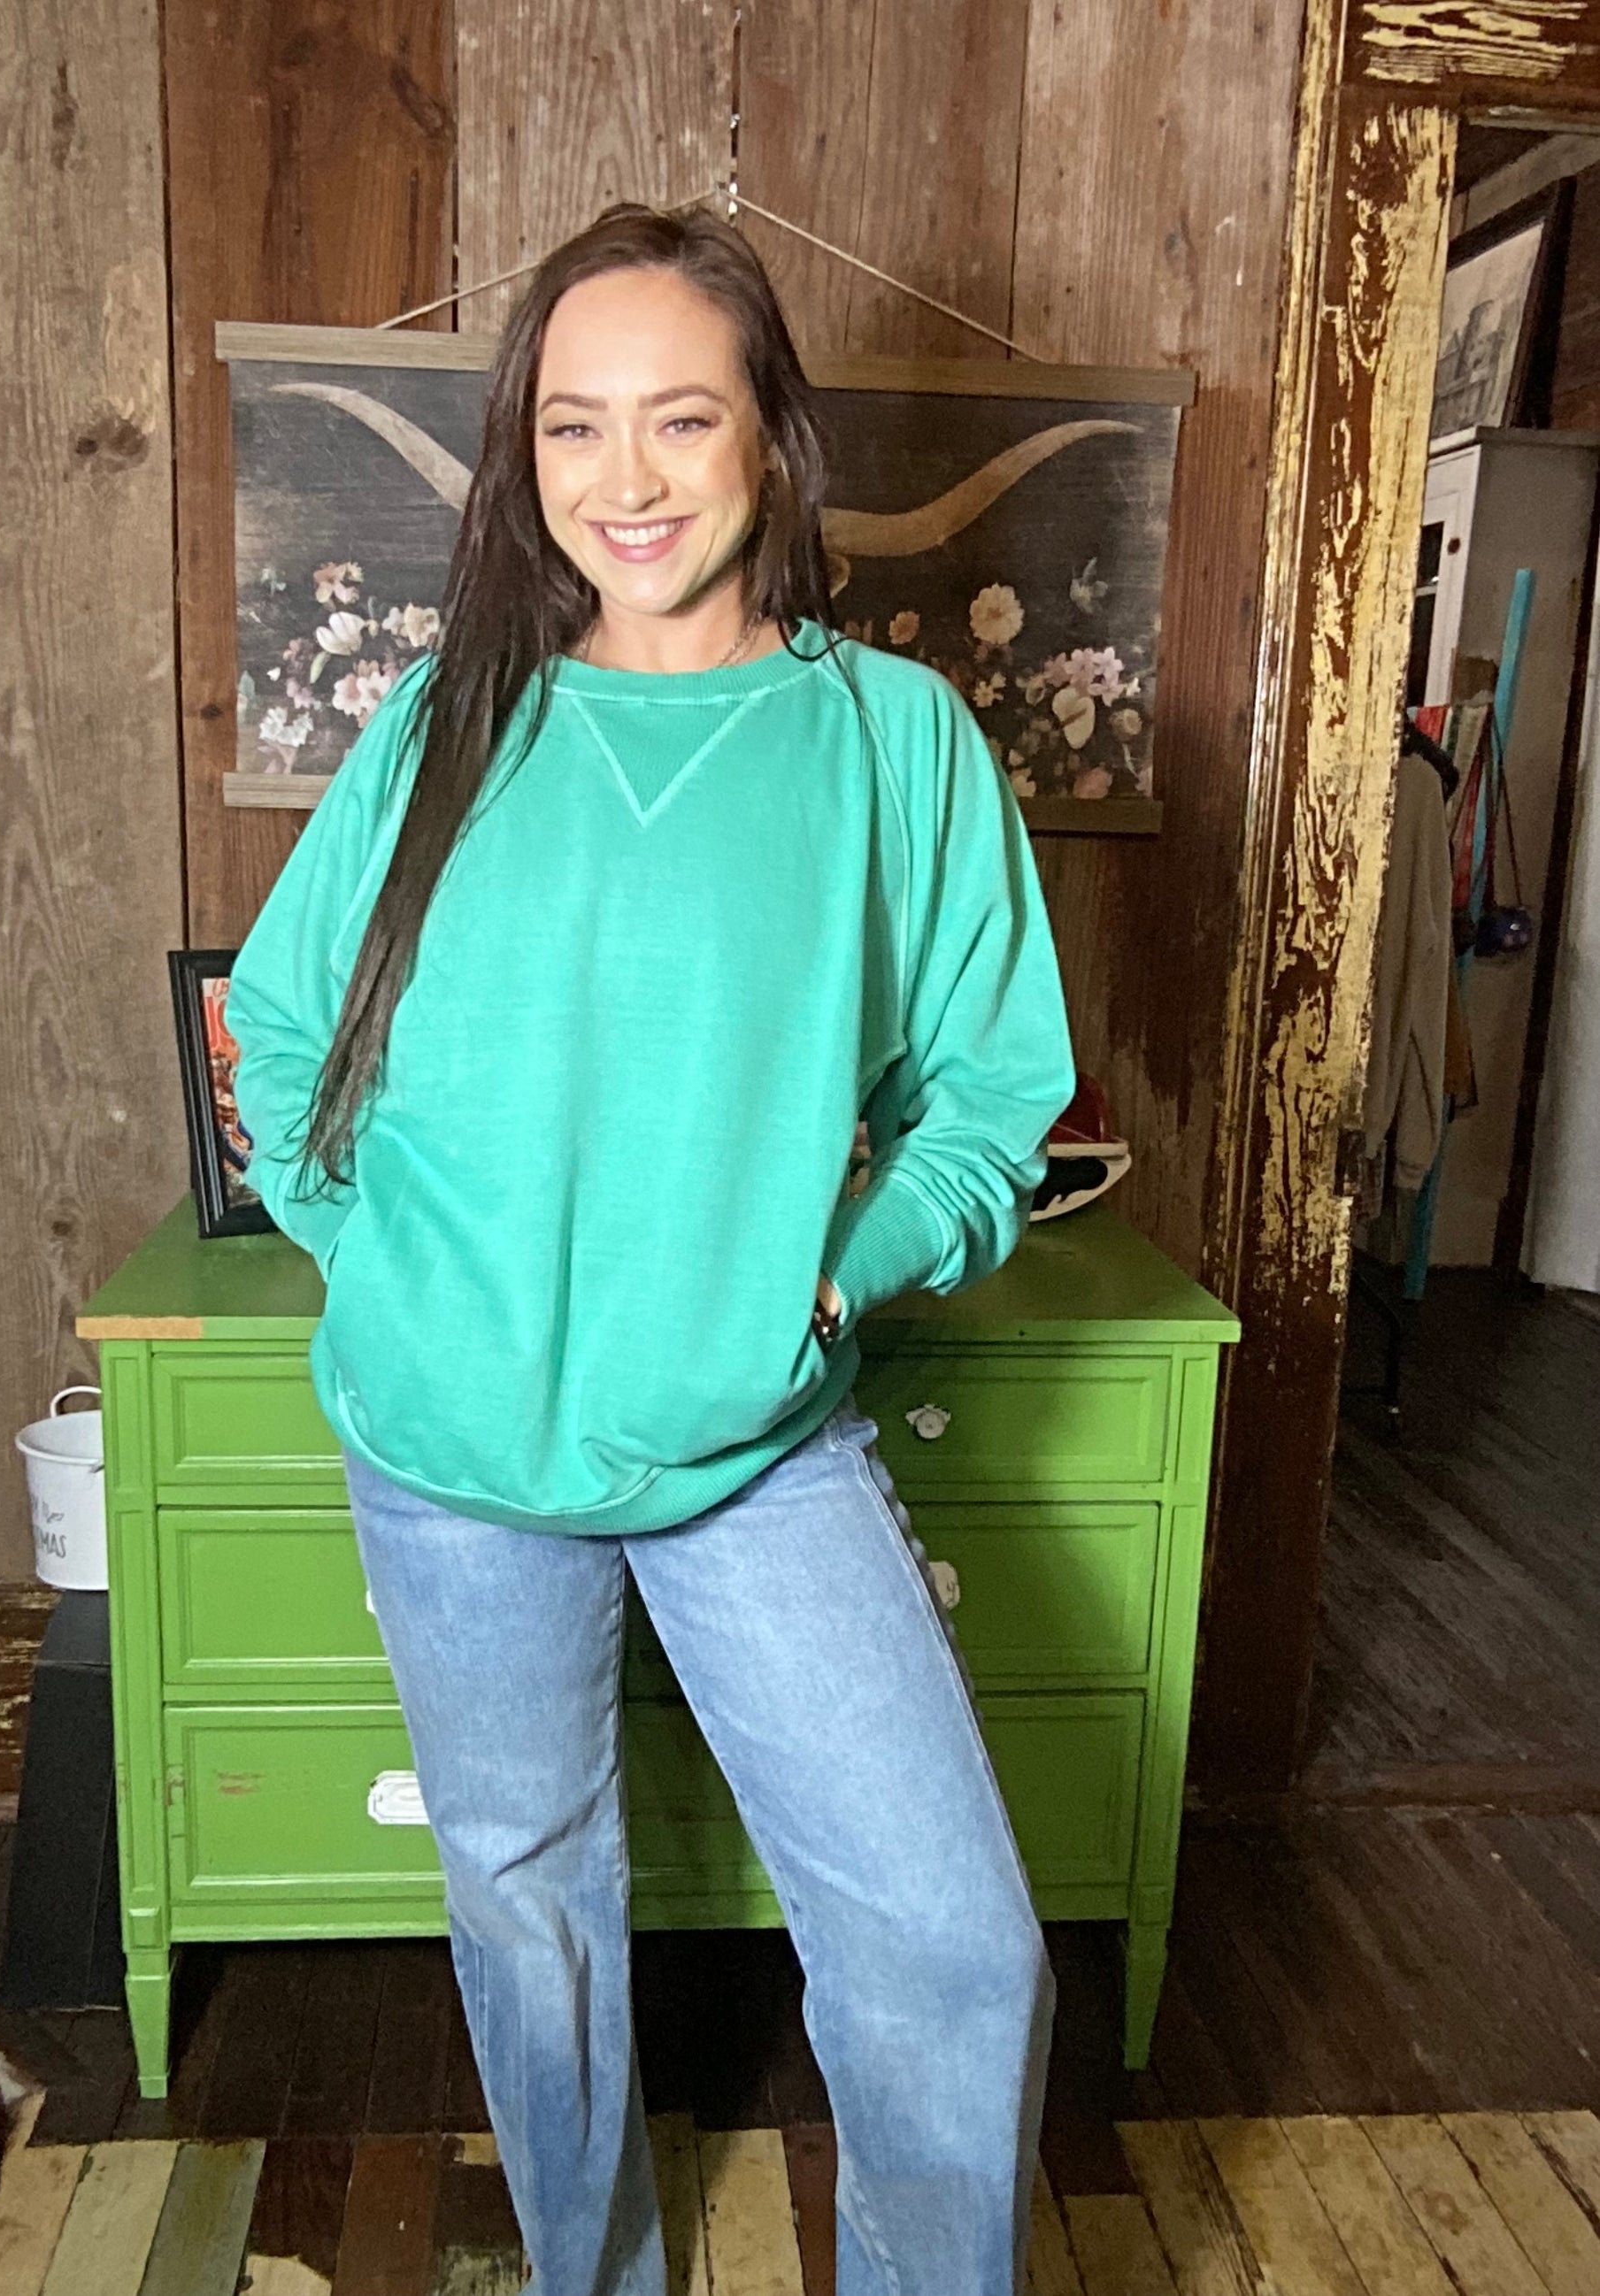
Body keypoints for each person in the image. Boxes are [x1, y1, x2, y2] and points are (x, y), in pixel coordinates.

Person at [227, 201, 1075, 2296]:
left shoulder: (889, 745)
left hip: (754, 1446)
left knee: (952, 1943)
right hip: (448, 1457)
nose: (625, 478)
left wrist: (834, 1269)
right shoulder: (450, 720)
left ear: (771, 435)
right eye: (572, 426)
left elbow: (994, 1095)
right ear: (524, 457)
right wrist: (392, 1263)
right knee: (526, 1911)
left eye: (680, 417)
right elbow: (280, 1033)